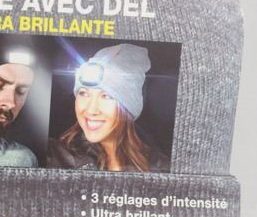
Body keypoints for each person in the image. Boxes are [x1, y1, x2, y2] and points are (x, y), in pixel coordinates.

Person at [46, 43, 169, 172]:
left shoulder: (161, 168)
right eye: (84, 93)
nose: (91, 110)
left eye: (106, 96)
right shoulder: (56, 156)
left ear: (128, 106)